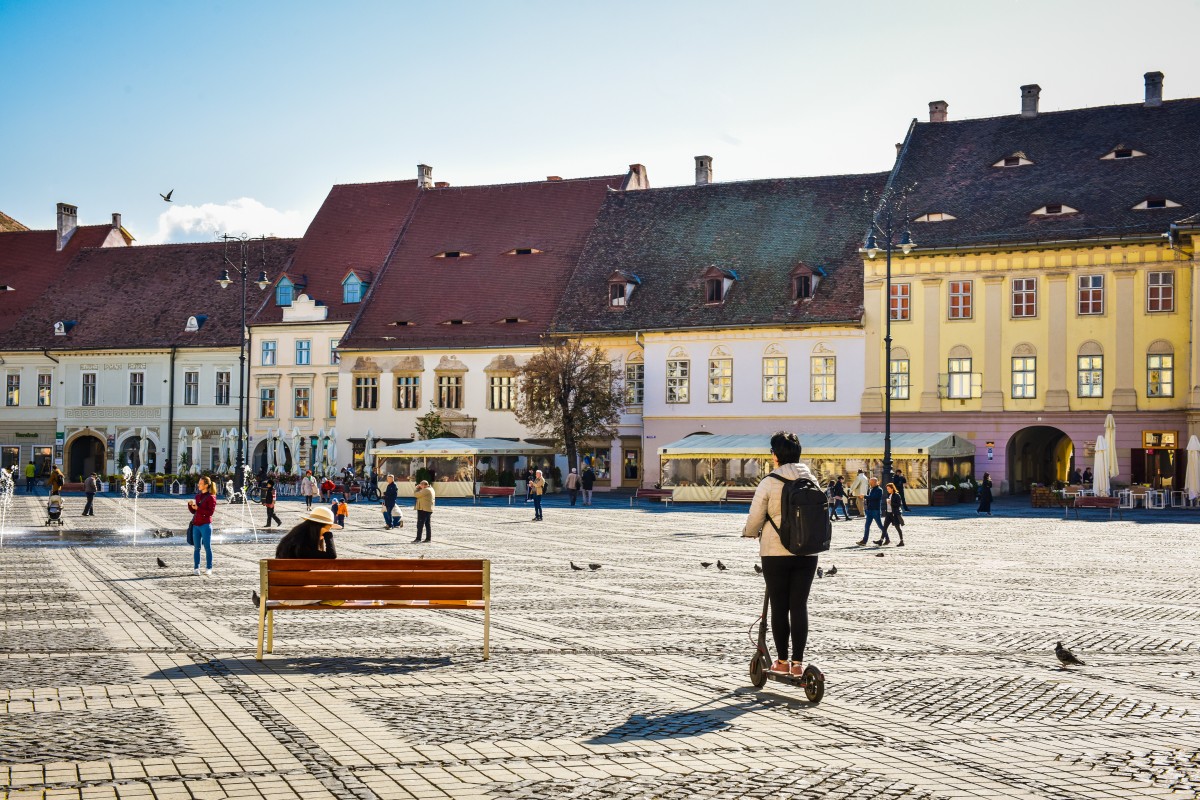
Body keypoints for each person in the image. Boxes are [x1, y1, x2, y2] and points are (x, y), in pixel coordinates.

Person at [742, 431, 820, 677]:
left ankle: (782, 661)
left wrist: (749, 532)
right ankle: (798, 664)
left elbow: (756, 516)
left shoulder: (769, 481)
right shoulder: (812, 480)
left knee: (779, 605)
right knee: (799, 605)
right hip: (808, 551)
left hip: (775, 552)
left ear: (776, 455)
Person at [188, 476, 218, 576]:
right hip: (196, 525)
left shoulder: (211, 497)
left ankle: (209, 567)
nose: (198, 485)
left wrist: (198, 508)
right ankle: (196, 568)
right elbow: (195, 512)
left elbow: (210, 513)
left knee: (207, 547)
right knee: (197, 548)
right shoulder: (198, 496)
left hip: (205, 525)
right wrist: (190, 506)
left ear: (206, 485)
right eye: (199, 483)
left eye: (200, 483)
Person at [858, 477, 885, 546]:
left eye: (871, 483)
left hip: (875, 510)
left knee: (880, 526)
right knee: (867, 526)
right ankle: (864, 541)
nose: (870, 484)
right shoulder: (871, 489)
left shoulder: (879, 490)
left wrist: (864, 496)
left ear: (875, 482)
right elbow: (870, 498)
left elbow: (874, 498)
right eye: (870, 482)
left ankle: (887, 538)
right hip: (870, 510)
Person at [877, 482, 905, 546]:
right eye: (887, 489)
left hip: (894, 514)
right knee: (885, 527)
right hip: (889, 514)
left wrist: (891, 502)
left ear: (892, 488)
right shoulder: (889, 495)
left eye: (888, 488)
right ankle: (881, 540)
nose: (887, 490)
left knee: (897, 528)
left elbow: (899, 504)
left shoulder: (897, 495)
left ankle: (901, 541)